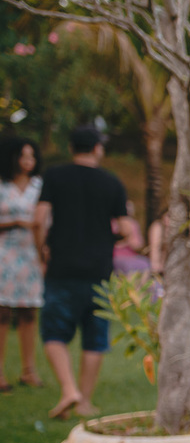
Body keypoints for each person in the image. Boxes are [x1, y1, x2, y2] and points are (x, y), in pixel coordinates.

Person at [33, 125, 140, 419]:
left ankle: (68, 389)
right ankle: (84, 401)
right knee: (95, 337)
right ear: (97, 149)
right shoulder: (112, 182)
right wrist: (108, 240)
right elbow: (128, 231)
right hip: (99, 270)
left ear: (71, 148)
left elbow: (39, 218)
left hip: (62, 267)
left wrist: (41, 249)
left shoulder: (54, 176)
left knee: (54, 332)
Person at [0, 137, 45, 391]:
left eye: (32, 156)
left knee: (29, 311)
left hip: (31, 253)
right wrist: (16, 223)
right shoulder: (2, 185)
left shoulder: (39, 186)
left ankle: (29, 370)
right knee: (2, 312)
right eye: (22, 156)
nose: (28, 162)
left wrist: (44, 253)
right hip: (4, 252)